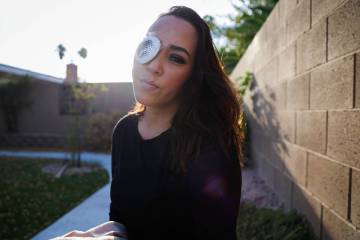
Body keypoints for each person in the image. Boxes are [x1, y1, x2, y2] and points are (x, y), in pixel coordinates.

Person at [109, 6, 244, 240]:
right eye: (149, 46)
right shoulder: (124, 130)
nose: (153, 65)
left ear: (193, 77)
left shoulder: (210, 146)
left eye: (176, 58)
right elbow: (119, 219)